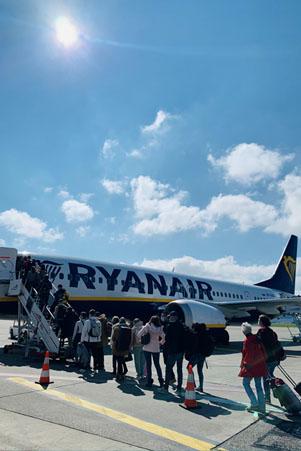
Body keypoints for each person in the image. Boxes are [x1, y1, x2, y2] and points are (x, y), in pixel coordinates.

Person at [239, 322, 267, 414]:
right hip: (260, 365)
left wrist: (244, 364)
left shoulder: (247, 341)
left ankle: (254, 403)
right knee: (259, 386)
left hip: (251, 366)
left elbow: (247, 354)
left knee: (245, 383)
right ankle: (262, 406)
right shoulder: (257, 338)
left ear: (243, 331)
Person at [257, 314, 284, 403]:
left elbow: (258, 345)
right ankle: (277, 390)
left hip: (267, 360)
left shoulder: (261, 333)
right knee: (270, 376)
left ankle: (268, 397)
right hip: (274, 359)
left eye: (259, 320)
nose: (258, 322)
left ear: (262, 322)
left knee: (266, 379)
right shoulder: (272, 332)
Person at [162, 311, 186, 394]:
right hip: (180, 351)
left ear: (174, 317)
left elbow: (167, 340)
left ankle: (165, 388)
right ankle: (179, 387)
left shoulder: (170, 326)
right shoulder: (182, 326)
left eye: (171, 317)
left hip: (172, 351)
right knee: (179, 369)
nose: (170, 318)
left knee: (168, 369)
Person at [138, 315, 165, 388]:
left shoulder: (147, 326)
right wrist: (160, 343)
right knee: (157, 365)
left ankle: (149, 382)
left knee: (148, 365)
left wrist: (142, 340)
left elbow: (139, 334)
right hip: (156, 349)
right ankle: (161, 381)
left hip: (147, 348)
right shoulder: (160, 328)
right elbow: (164, 337)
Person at [187, 323, 215, 392]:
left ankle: (192, 384)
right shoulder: (207, 334)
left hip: (197, 354)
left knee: (189, 367)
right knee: (200, 371)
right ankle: (201, 386)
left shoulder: (197, 335)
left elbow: (194, 346)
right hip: (203, 355)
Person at [111, 317, 132, 382]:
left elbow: (113, 338)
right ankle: (123, 372)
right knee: (121, 359)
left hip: (117, 347)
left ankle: (119, 375)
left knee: (119, 361)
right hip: (125, 347)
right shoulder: (129, 329)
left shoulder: (116, 328)